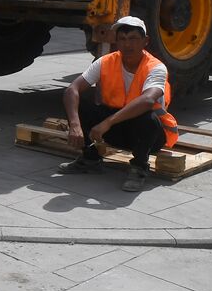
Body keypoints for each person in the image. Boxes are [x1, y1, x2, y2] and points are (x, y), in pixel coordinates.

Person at [58, 16, 178, 193]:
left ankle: (139, 167)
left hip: (147, 136)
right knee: (78, 104)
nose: (127, 45)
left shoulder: (156, 67)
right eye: (122, 39)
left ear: (145, 41)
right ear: (116, 41)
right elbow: (72, 89)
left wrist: (106, 123)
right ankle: (90, 159)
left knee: (147, 117)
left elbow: (147, 100)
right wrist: (75, 125)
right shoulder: (106, 61)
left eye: (133, 39)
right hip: (113, 131)